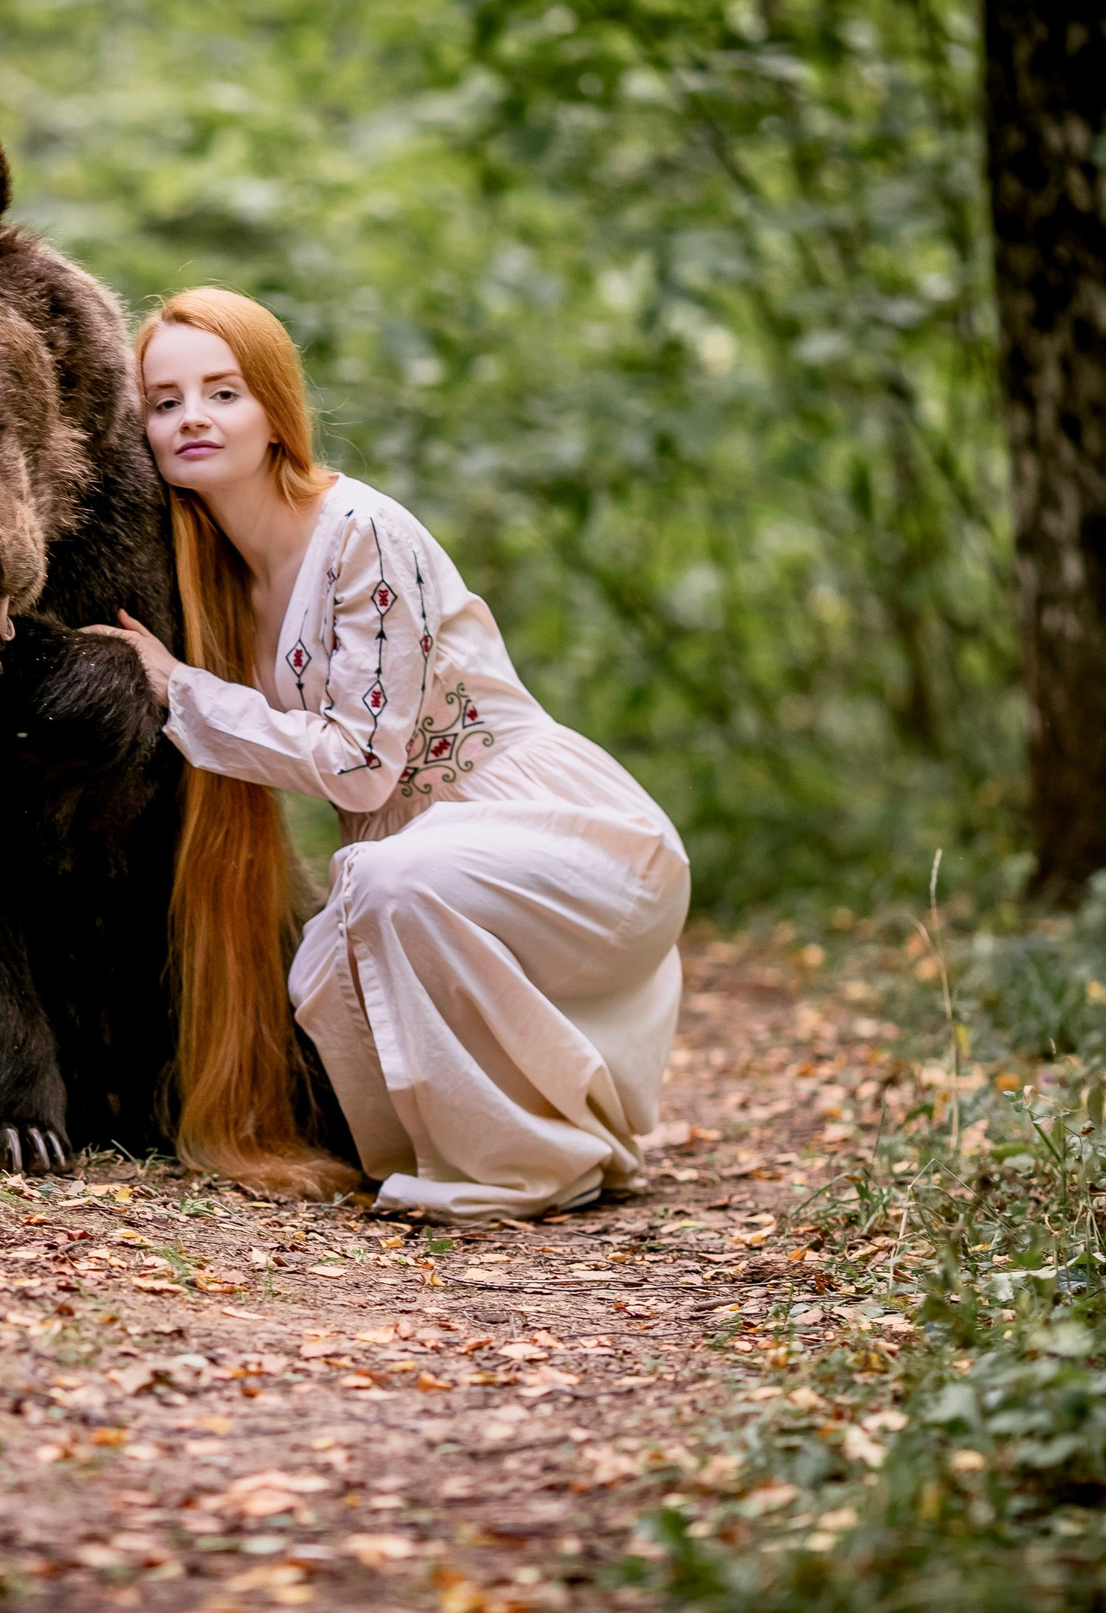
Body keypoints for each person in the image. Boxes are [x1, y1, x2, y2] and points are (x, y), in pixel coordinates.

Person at [88, 287, 690, 1220]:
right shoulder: (219, 582)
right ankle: (547, 1145)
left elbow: (363, 763)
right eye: (164, 402)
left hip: (575, 841)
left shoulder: (362, 531)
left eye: (223, 391)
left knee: (383, 883)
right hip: (433, 866)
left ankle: (536, 1166)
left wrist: (180, 689)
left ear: (275, 408)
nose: (192, 417)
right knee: (322, 972)